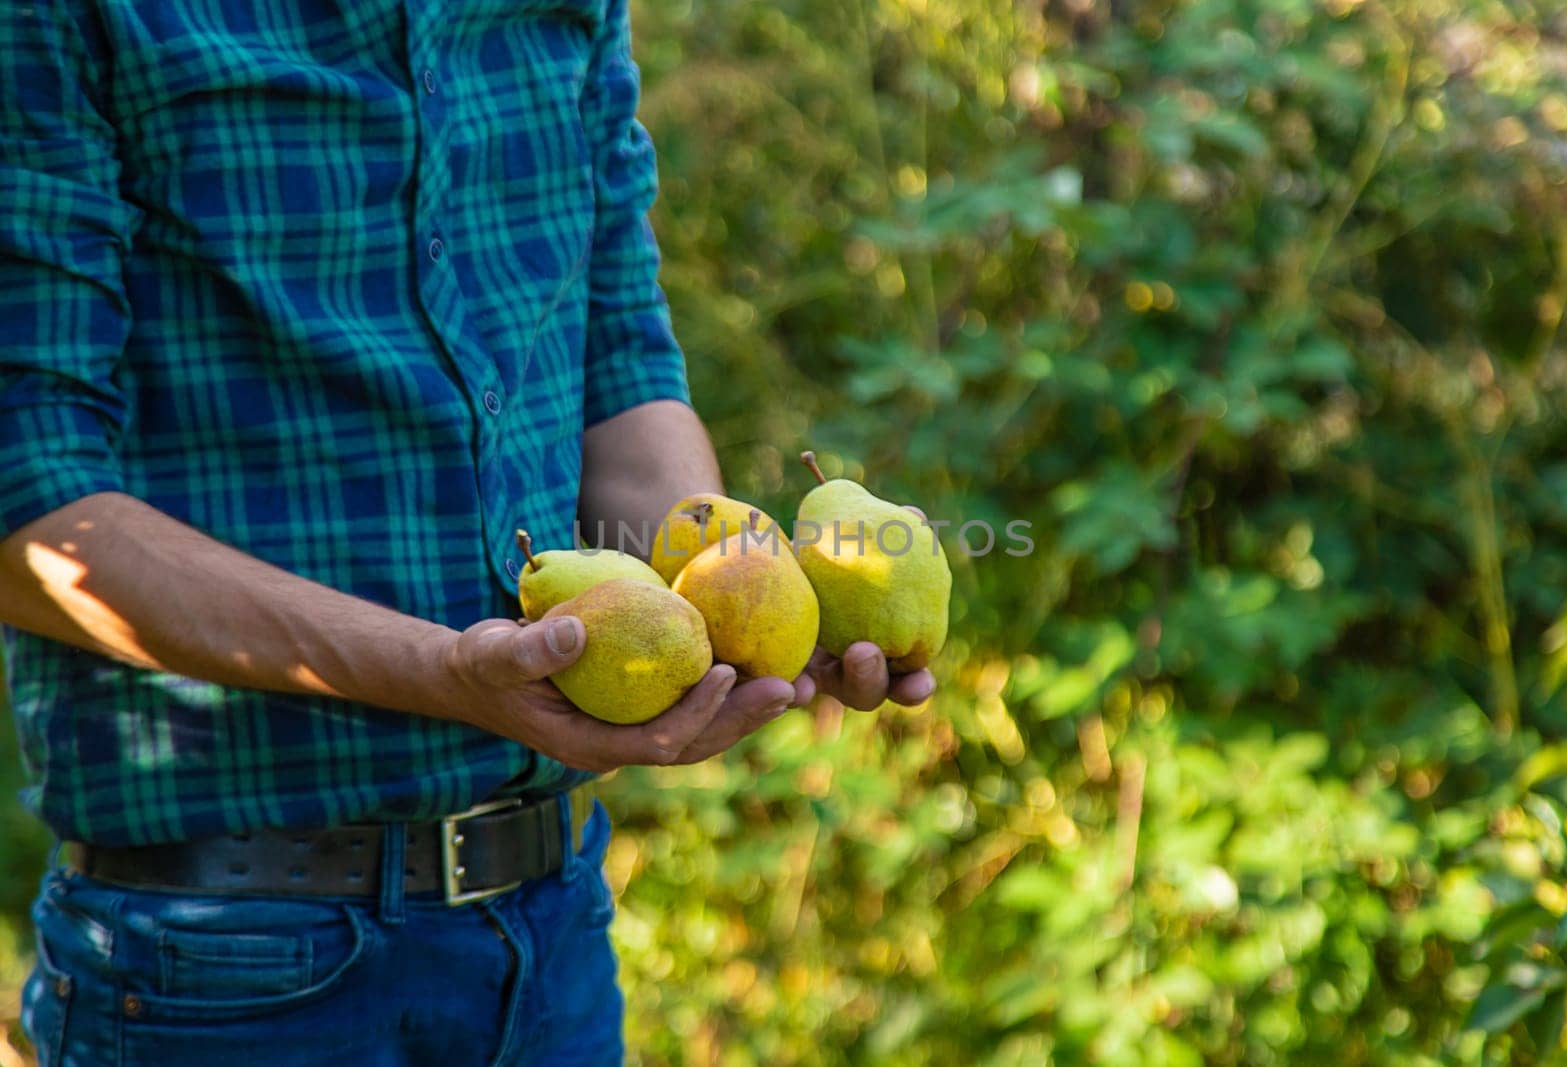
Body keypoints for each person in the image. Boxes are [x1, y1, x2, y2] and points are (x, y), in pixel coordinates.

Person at [0, 1, 934, 1063]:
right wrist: (444, 668)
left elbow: (619, 366)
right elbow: (29, 507)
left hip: (552, 930)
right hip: (224, 965)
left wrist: (723, 606)